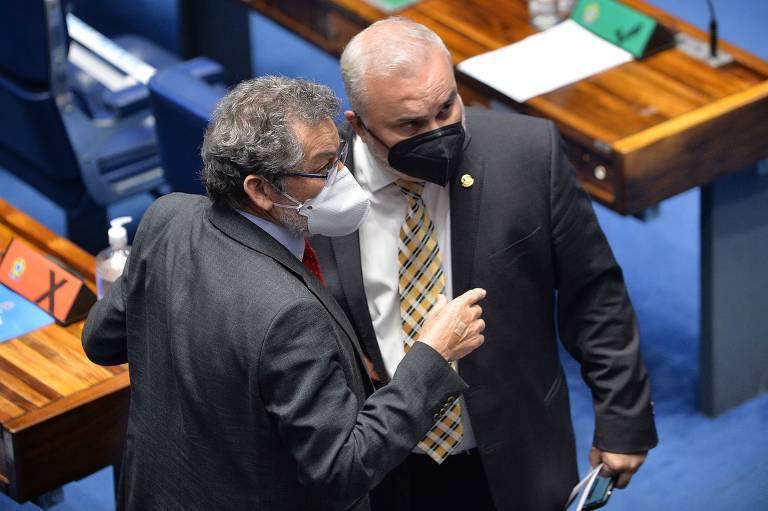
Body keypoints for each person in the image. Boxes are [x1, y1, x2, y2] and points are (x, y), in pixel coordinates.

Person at [81, 76, 487, 511]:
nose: (344, 177)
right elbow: (340, 468)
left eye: (341, 156)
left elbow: (101, 340)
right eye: (324, 166)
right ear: (260, 189)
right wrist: (430, 356)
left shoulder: (168, 217)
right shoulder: (290, 315)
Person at [312, 17, 659, 511]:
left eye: (446, 107)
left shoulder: (526, 154)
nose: (438, 132)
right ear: (359, 126)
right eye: (410, 125)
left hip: (515, 455)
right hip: (384, 467)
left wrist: (623, 416)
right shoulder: (318, 191)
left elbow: (595, 292)